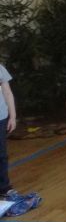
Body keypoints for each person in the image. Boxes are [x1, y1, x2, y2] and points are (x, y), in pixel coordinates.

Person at [0, 63, 18, 198]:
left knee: (1, 155)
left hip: (1, 118)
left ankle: (4, 187)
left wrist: (12, 116)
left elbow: (7, 92)